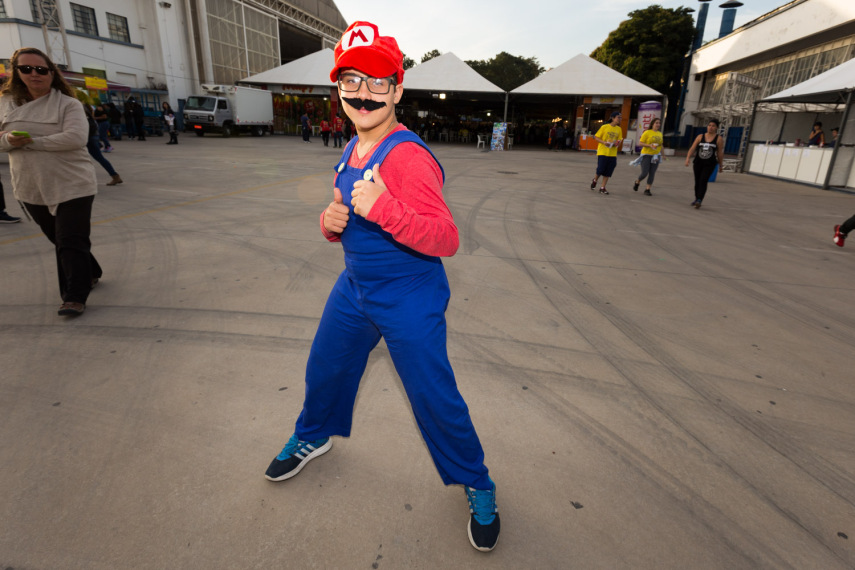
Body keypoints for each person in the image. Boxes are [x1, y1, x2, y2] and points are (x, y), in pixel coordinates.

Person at [263, 21, 500, 553]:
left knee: (434, 397)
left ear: (397, 90)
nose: (363, 92)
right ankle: (315, 434)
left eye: (377, 81)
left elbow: (446, 237)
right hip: (356, 288)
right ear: (339, 90)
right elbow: (343, 214)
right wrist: (331, 221)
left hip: (409, 296)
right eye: (352, 80)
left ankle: (478, 482)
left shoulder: (407, 156)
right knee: (326, 366)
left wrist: (386, 210)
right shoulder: (352, 148)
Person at [0, 47, 102, 316]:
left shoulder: (68, 104)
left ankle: (74, 296)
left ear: (52, 73)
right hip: (29, 184)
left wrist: (33, 142)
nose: (35, 74)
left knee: (69, 239)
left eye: (41, 69)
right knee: (60, 239)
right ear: (16, 72)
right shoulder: (6, 102)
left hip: (72, 183)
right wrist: (7, 141)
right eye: (27, 69)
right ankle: (90, 270)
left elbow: (75, 138)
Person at [685, 119, 724, 209]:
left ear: (716, 128)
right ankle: (696, 198)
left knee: (703, 180)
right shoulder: (700, 136)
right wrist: (687, 158)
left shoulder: (718, 139)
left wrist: (721, 165)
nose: (711, 127)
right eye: (709, 125)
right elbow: (692, 148)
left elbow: (720, 153)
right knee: (697, 181)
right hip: (698, 162)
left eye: (713, 126)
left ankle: (699, 200)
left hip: (709, 164)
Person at [83, 102, 122, 186]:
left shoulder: (79, 110)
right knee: (99, 158)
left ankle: (114, 176)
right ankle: (115, 176)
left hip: (88, 137)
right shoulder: (87, 111)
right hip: (91, 136)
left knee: (84, 159)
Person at [590, 111, 623, 195]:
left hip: (612, 153)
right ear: (612, 118)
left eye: (620, 117)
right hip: (603, 152)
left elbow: (619, 140)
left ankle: (602, 187)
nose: (619, 119)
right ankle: (595, 180)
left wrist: (617, 143)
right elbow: (596, 137)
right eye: (618, 117)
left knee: (608, 171)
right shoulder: (604, 127)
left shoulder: (619, 129)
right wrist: (604, 142)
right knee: (600, 169)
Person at [633, 117, 663, 196]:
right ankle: (637, 182)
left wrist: (663, 154)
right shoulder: (647, 132)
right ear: (652, 124)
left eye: (659, 123)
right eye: (656, 123)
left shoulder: (660, 134)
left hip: (656, 156)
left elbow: (661, 145)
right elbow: (640, 143)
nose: (658, 124)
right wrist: (650, 145)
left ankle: (647, 189)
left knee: (652, 173)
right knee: (644, 173)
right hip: (646, 155)